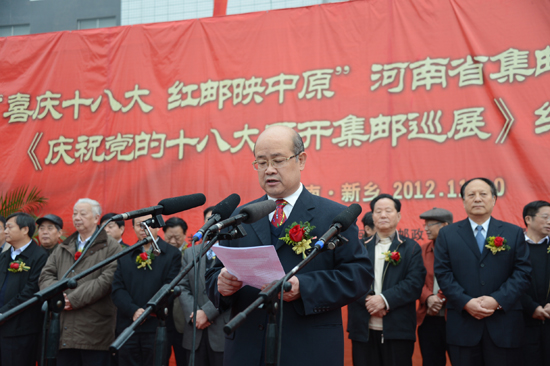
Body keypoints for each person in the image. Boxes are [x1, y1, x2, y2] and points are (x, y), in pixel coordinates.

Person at [205, 125, 373, 366]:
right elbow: (213, 272)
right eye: (261, 162)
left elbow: (359, 275)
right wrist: (220, 284)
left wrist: (304, 287)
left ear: (301, 160)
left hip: (309, 348)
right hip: (247, 348)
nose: (269, 170)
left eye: (278, 160)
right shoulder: (240, 216)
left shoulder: (334, 216)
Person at [434, 178, 531, 366]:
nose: (477, 199)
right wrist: (466, 302)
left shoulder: (513, 232)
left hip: (504, 325)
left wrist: (497, 300)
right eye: (471, 195)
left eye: (483, 194)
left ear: (494, 199)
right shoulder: (447, 234)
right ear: (463, 201)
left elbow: (523, 272)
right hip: (463, 324)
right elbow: (443, 273)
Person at [39, 198, 122, 366]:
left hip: (95, 329)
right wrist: (57, 296)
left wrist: (73, 299)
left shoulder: (111, 247)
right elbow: (46, 274)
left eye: (82, 214)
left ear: (96, 218)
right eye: (75, 213)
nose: (77, 217)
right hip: (63, 328)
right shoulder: (64, 246)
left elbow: (107, 279)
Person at [347, 194, 425, 366]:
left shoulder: (411, 248)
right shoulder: (359, 247)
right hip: (363, 328)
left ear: (398, 216)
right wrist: (368, 300)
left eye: (388, 211)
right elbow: (350, 278)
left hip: (398, 328)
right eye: (378, 211)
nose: (383, 215)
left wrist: (384, 300)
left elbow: (414, 284)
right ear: (372, 216)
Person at [111, 214, 182, 366]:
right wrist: (134, 311)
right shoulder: (124, 255)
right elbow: (118, 289)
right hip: (128, 327)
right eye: (138, 225)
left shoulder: (172, 254)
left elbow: (169, 287)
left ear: (157, 226)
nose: (143, 229)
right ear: (133, 228)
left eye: (147, 224)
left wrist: (148, 311)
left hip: (157, 327)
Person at [178, 207, 229, 366]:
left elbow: (233, 288)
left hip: (222, 330)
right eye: (209, 220)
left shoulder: (232, 251)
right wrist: (194, 314)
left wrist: (206, 313)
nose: (213, 224)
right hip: (195, 331)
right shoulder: (190, 253)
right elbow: (182, 287)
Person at [0, 212, 48, 366]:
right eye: (5, 228)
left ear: (25, 229)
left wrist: (4, 312)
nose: (5, 231)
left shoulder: (40, 256)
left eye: (9, 227)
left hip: (21, 329)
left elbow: (30, 292)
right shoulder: (4, 256)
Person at [417, 207, 453, 366]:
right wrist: (428, 298)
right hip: (428, 318)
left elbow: (461, 278)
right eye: (425, 224)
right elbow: (414, 279)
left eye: (430, 224)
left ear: (445, 225)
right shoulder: (421, 250)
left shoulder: (459, 249)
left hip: (454, 317)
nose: (425, 228)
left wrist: (440, 298)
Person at [520, 200, 550, 366]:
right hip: (523, 323)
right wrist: (531, 307)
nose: (549, 221)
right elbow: (507, 281)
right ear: (528, 219)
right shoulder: (514, 247)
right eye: (545, 217)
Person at [162, 216, 190, 366]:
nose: (173, 241)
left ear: (185, 235)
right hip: (162, 316)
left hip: (181, 317)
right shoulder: (158, 254)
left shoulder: (191, 255)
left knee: (182, 358)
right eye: (169, 237)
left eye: (177, 237)